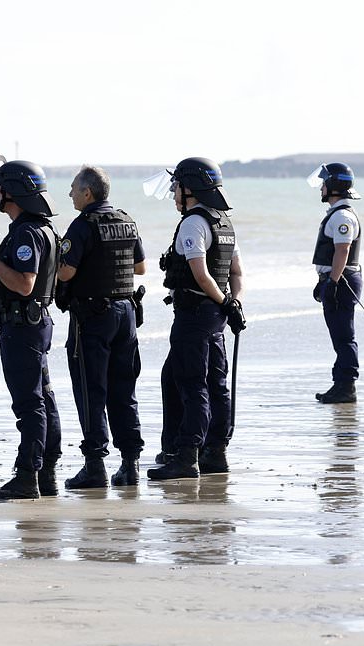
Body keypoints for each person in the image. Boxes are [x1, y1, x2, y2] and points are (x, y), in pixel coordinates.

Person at [0, 160, 63, 499]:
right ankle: (46, 473)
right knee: (43, 398)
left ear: (16, 192)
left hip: (23, 326)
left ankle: (27, 476)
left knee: (29, 403)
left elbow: (24, 283)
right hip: (36, 323)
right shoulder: (44, 228)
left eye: (1, 187)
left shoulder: (26, 232)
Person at [147, 157, 246, 480]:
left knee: (191, 384)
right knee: (214, 384)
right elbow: (236, 273)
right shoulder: (224, 223)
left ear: (192, 189)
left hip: (194, 314)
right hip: (215, 315)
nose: (174, 192)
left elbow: (201, 275)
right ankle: (215, 452)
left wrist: (225, 302)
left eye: (177, 186)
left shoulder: (193, 223)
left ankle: (187, 455)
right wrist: (233, 303)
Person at [56, 166, 146, 489]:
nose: (69, 194)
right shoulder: (126, 221)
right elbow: (140, 267)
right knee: (124, 390)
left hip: (93, 318)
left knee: (90, 388)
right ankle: (130, 464)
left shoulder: (82, 227)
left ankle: (95, 464)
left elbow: (65, 274)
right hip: (126, 314)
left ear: (87, 193)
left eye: (73, 189)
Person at [308, 162, 363, 404]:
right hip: (337, 278)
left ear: (333, 185)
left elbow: (342, 250)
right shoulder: (336, 214)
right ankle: (341, 383)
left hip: (342, 280)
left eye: (324, 183)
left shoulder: (342, 216)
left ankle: (346, 386)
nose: (320, 187)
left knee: (343, 334)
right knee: (339, 333)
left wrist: (332, 282)